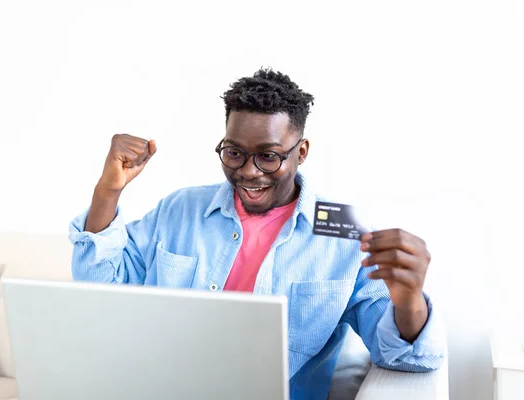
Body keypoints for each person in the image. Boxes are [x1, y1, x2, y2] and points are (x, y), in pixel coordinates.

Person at [69, 68, 445, 399]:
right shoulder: (179, 211)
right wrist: (108, 191)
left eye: (269, 156)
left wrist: (409, 297)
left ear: (302, 152)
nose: (249, 172)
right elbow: (99, 286)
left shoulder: (346, 234)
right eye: (234, 153)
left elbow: (406, 357)